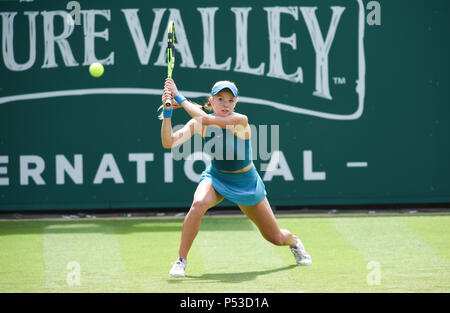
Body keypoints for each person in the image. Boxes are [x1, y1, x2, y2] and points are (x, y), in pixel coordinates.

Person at [160, 78, 312, 278]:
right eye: (221, 99)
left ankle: (294, 242)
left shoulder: (240, 120)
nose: (225, 104)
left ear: (236, 103)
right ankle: (181, 260)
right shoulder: (198, 123)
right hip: (216, 177)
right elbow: (168, 142)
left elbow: (207, 120)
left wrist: (179, 96)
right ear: (212, 101)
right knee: (198, 204)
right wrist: (168, 114)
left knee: (275, 237)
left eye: (230, 100)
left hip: (246, 183)